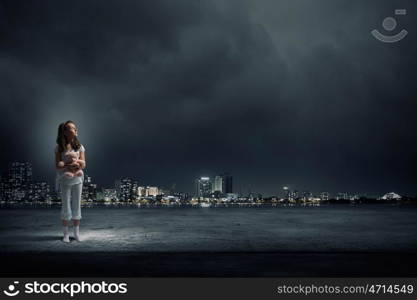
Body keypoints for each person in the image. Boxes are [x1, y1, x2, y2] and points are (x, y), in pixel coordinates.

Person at [54, 120, 86, 243]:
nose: (72, 130)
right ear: (64, 132)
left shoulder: (80, 147)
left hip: (77, 178)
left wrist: (77, 164)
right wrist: (67, 165)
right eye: (69, 128)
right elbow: (57, 166)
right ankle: (66, 234)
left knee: (76, 205)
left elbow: (84, 164)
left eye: (74, 128)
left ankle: (76, 233)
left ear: (76, 132)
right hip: (65, 178)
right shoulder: (59, 148)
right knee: (66, 205)